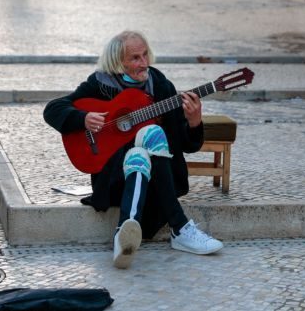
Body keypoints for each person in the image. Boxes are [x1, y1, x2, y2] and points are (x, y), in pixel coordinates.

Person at [43, 30, 223, 269]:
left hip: (158, 180)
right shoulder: (99, 85)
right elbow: (53, 109)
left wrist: (194, 122)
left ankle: (123, 233)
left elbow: (187, 145)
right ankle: (180, 229)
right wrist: (83, 118)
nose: (144, 63)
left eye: (145, 54)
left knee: (142, 149)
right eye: (135, 58)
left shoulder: (160, 86)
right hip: (114, 177)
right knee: (151, 136)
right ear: (119, 62)